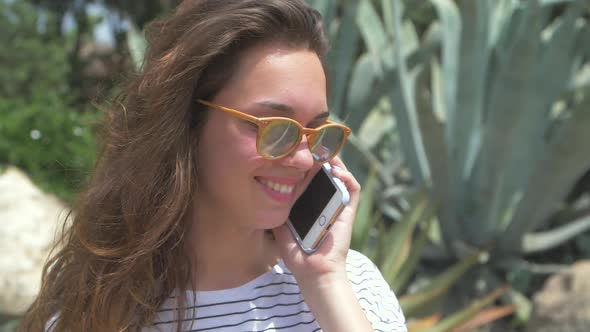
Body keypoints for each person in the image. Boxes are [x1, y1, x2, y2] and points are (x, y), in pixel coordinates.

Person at [19, 1, 407, 331]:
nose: (305, 158)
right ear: (186, 124)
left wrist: (325, 284)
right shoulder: (100, 315)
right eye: (274, 129)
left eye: (317, 130)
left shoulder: (352, 286)